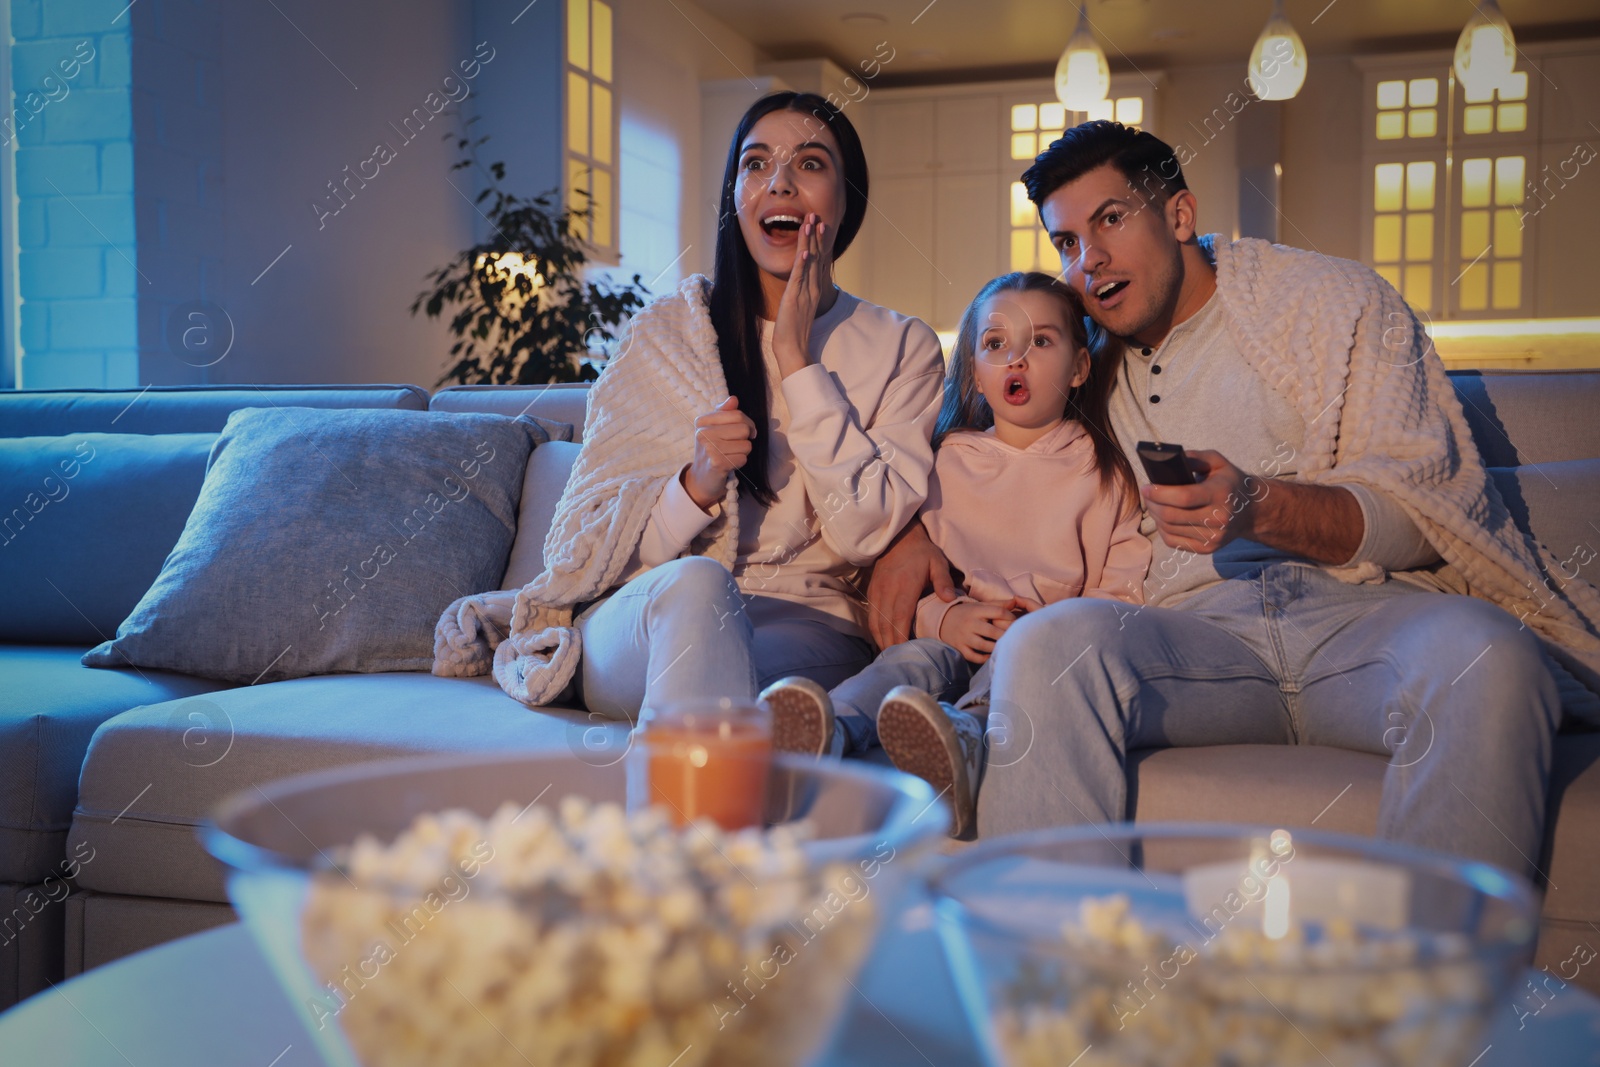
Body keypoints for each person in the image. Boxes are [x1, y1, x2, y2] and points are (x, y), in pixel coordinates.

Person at [866, 121, 1600, 876]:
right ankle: (1052, 977)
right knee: (1048, 644)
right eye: (1067, 242)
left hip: (1362, 621)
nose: (1090, 261)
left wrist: (1261, 505)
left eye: (1111, 220)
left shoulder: (1335, 305)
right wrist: (912, 537)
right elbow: (982, 451)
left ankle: (1427, 985)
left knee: (1491, 654)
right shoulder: (1081, 363)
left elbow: (1425, 515)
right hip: (1195, 642)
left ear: (1180, 215)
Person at [433, 92, 951, 721]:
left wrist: (796, 359)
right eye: (756, 165)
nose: (779, 183)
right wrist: (695, 484)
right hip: (645, 612)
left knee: (722, 647)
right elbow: (580, 543)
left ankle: (682, 811)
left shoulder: (904, 345)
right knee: (699, 585)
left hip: (805, 627)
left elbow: (866, 529)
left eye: (809, 164)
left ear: (849, 198)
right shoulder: (665, 335)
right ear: (735, 197)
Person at [762, 271, 1150, 836]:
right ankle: (827, 728)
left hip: (1035, 652)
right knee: (908, 663)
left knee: (1003, 673)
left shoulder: (1104, 473)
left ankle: (962, 740)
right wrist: (945, 616)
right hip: (949, 633)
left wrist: (1046, 633)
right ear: (974, 370)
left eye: (1041, 341)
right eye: (996, 344)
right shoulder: (942, 463)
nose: (1016, 358)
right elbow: (903, 581)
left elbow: (1120, 597)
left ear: (1080, 365)